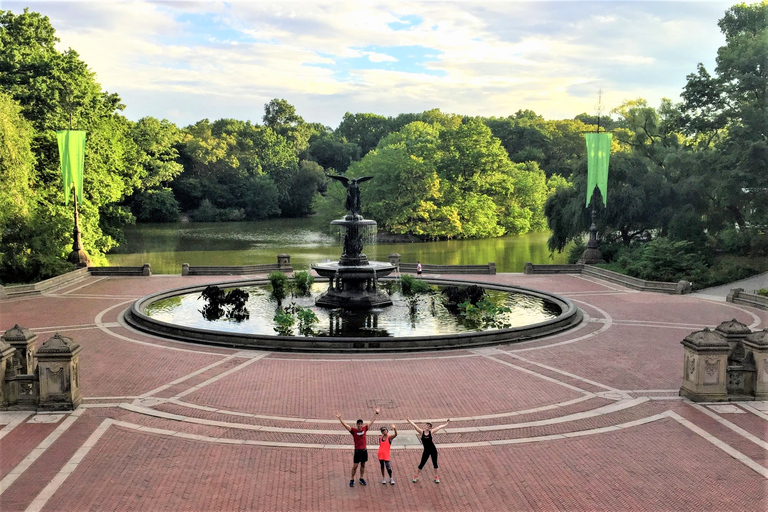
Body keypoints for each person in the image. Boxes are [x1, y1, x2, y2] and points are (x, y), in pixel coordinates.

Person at [335, 407, 379, 487]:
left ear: (362, 424)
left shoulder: (365, 428)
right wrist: (340, 418)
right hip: (357, 451)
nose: (360, 426)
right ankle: (352, 479)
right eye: (358, 424)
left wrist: (376, 413)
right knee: (355, 466)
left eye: (361, 424)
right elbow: (345, 425)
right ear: (357, 425)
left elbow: (372, 421)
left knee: (363, 465)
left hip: (364, 451)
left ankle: (361, 478)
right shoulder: (353, 431)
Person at [407, 417, 450, 483]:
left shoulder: (431, 432)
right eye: (427, 425)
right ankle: (416, 476)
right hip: (426, 451)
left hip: (433, 450)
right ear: (425, 426)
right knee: (422, 463)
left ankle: (436, 477)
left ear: (430, 428)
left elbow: (439, 427)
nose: (427, 426)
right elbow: (414, 425)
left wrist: (446, 423)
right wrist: (408, 420)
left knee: (435, 463)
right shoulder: (421, 432)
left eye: (429, 426)